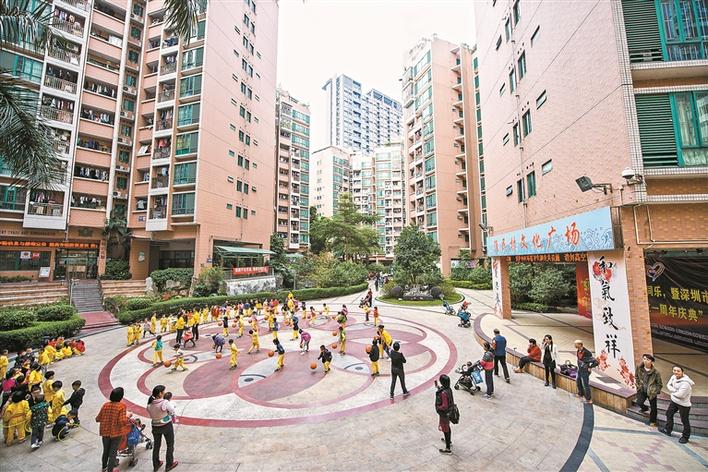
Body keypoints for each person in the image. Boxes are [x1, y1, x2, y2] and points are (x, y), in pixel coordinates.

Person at [95, 387, 132, 472]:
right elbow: (122, 422)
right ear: (121, 396)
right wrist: (128, 416)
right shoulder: (121, 406)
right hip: (116, 433)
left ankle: (104, 467)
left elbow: (98, 418)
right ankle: (110, 470)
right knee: (113, 452)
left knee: (105, 451)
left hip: (105, 432)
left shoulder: (105, 405)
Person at [147, 385, 179, 471]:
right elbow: (172, 410)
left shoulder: (149, 405)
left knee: (156, 446)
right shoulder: (165, 402)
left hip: (155, 426)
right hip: (166, 425)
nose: (164, 393)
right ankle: (169, 464)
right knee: (170, 444)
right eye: (163, 391)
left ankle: (156, 464)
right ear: (160, 393)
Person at [660, 366, 694, 443]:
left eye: (678, 371)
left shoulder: (686, 383)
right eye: (674, 370)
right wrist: (675, 391)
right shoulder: (673, 377)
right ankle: (667, 430)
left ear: (682, 372)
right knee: (669, 413)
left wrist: (672, 393)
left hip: (683, 404)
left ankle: (685, 437)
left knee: (684, 420)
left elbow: (681, 395)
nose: (676, 372)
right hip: (674, 401)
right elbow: (668, 385)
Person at [634, 354, 662, 426]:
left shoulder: (656, 372)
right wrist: (638, 385)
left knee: (653, 408)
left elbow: (659, 384)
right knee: (639, 402)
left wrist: (655, 391)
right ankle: (645, 408)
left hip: (651, 392)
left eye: (647, 359)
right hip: (642, 390)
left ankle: (653, 421)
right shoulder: (639, 368)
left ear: (651, 362)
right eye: (644, 359)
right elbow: (636, 376)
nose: (645, 360)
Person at [435, 374, 454, 454]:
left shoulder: (443, 393)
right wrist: (438, 387)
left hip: (444, 414)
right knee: (447, 427)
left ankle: (448, 449)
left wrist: (438, 407)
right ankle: (448, 441)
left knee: (445, 429)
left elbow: (444, 406)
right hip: (449, 413)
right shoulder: (448, 389)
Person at [575, 340, 594, 404]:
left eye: (576, 344)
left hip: (585, 370)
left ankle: (589, 399)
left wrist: (590, 367)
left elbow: (592, 361)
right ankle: (580, 393)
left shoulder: (587, 352)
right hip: (580, 369)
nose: (574, 345)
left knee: (585, 384)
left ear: (580, 344)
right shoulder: (578, 351)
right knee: (578, 381)